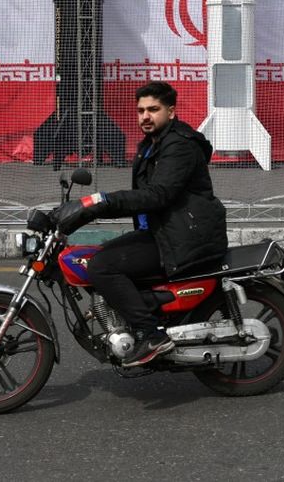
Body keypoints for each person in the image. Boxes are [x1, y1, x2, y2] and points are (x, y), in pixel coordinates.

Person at [53, 81, 229, 367]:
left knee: (102, 266)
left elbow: (157, 195)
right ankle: (130, 316)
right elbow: (143, 199)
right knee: (100, 256)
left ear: (171, 112)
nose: (145, 116)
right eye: (141, 111)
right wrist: (79, 209)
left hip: (185, 239)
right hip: (163, 233)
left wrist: (98, 203)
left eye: (153, 110)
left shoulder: (179, 146)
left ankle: (152, 334)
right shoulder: (152, 146)